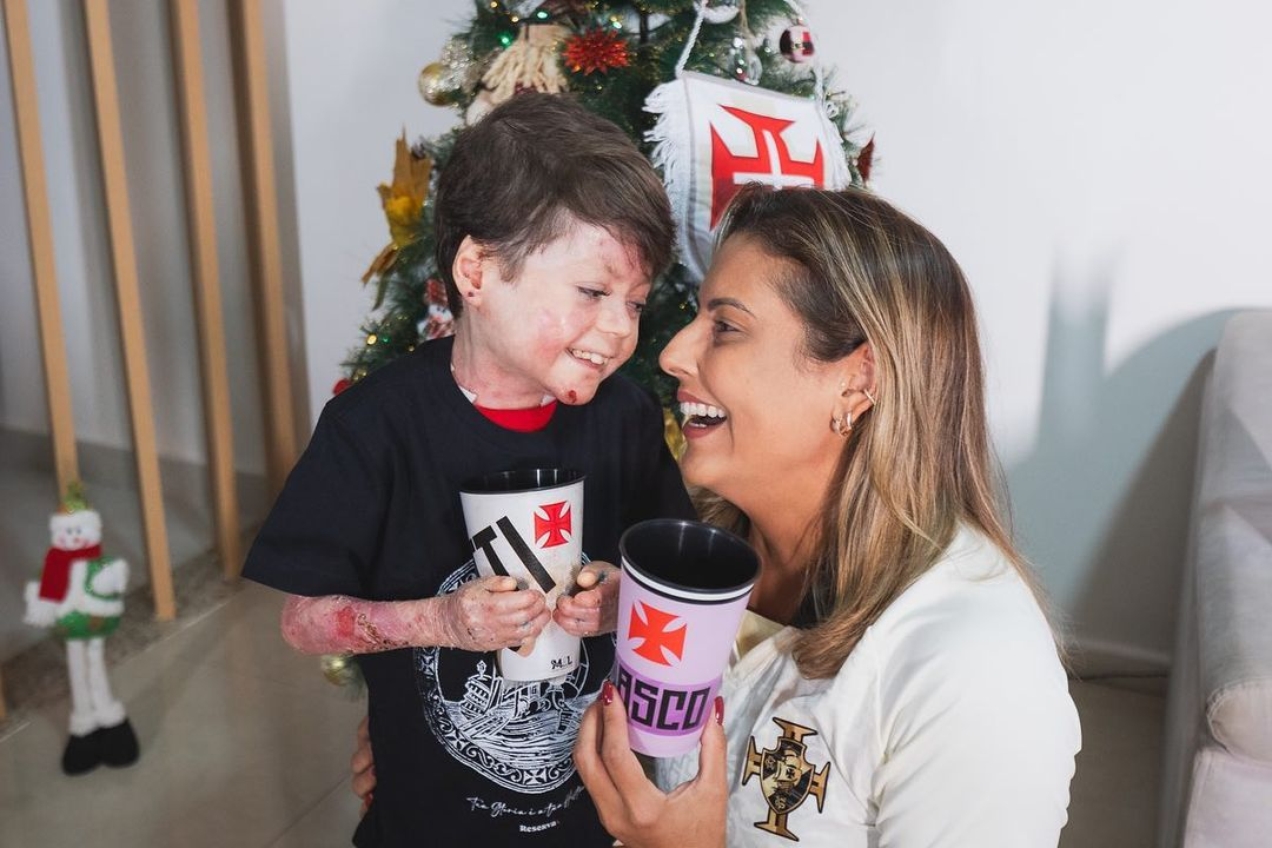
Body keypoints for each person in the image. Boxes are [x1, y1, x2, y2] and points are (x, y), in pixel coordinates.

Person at [243, 91, 695, 847]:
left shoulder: (628, 419)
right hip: (427, 823)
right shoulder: (374, 428)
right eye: (592, 291)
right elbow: (302, 621)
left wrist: (624, 601)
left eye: (637, 303)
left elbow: (674, 583)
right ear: (477, 271)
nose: (620, 331)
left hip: (594, 819)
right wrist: (441, 621)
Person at [572, 184, 1082, 846]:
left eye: (724, 327)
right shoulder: (694, 548)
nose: (671, 353)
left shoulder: (976, 673)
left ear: (857, 378)